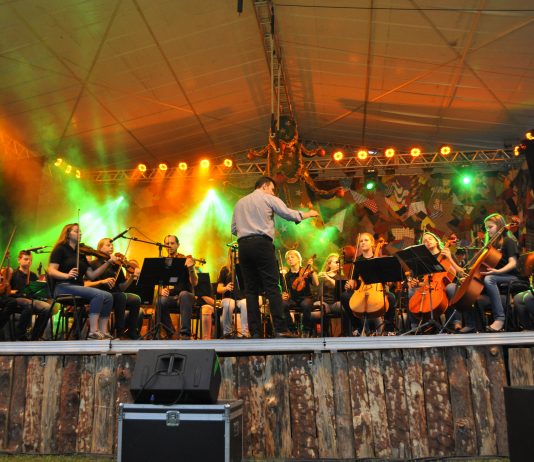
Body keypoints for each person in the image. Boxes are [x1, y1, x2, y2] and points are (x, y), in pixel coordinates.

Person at [231, 176, 319, 339]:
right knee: (272, 287)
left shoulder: (240, 203)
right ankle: (280, 329)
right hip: (262, 244)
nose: (273, 192)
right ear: (265, 186)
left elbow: (234, 229)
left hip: (243, 246)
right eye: (272, 189)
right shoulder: (268, 198)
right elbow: (288, 213)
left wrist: (248, 230)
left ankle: (255, 332)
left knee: (250, 290)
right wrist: (308, 214)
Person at [47, 223, 116, 340]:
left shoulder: (81, 253)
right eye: (76, 231)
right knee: (98, 294)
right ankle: (93, 332)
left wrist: (108, 263)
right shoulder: (60, 249)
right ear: (68, 234)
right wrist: (66, 275)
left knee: (109, 296)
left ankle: (104, 331)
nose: (80, 233)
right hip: (63, 286)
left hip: (78, 287)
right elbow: (51, 270)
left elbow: (92, 275)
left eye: (80, 231)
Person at [461, 213, 519, 333]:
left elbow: (513, 263)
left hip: (511, 277)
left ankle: (500, 319)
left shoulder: (508, 241)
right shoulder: (491, 245)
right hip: (497, 277)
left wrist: (498, 271)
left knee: (489, 279)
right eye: (486, 228)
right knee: (472, 291)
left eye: (490, 227)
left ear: (500, 226)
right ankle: (474, 326)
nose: (488, 230)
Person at [84, 238, 142, 339]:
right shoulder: (93, 264)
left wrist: (132, 277)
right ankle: (119, 331)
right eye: (108, 245)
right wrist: (102, 281)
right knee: (120, 296)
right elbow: (86, 283)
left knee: (136, 299)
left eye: (112, 245)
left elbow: (121, 287)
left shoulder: (116, 265)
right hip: (101, 295)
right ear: (100, 248)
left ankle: (132, 331)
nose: (111, 247)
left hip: (116, 294)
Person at [407, 232, 465, 333]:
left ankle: (455, 321)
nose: (428, 241)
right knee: (412, 291)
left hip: (446, 286)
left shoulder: (446, 254)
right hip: (430, 288)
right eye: (424, 241)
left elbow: (461, 273)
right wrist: (415, 283)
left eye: (430, 239)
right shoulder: (422, 260)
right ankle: (416, 325)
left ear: (436, 241)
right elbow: (424, 281)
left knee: (451, 287)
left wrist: (449, 258)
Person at [340, 233, 395, 335]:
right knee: (344, 296)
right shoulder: (357, 261)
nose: (363, 243)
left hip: (377, 291)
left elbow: (388, 281)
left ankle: (389, 329)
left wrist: (388, 281)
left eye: (366, 240)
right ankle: (358, 327)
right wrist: (351, 285)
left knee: (391, 297)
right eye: (361, 241)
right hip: (362, 291)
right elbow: (354, 281)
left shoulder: (380, 260)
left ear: (372, 243)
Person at [158, 235, 197, 340]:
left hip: (186, 296)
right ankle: (171, 333)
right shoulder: (164, 262)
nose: (169, 245)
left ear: (178, 245)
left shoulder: (184, 260)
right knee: (160, 301)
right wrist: (161, 290)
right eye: (167, 243)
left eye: (172, 243)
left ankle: (185, 334)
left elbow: (194, 282)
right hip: (171, 297)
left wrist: (191, 268)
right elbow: (159, 282)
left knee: (183, 294)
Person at [9, 250, 51, 340]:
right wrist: (14, 291)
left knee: (47, 308)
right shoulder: (13, 274)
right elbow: (7, 291)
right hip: (16, 300)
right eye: (26, 259)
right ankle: (20, 335)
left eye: (30, 260)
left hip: (31, 301)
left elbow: (36, 293)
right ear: (19, 260)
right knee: (28, 304)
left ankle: (35, 337)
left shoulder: (33, 275)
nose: (29, 262)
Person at [281, 250, 319, 336]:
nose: (290, 259)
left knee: (305, 304)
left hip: (306, 298)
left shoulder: (306, 271)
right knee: (282, 304)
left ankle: (306, 330)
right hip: (293, 299)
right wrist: (284, 295)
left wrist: (312, 269)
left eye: (292, 257)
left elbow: (316, 283)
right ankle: (292, 330)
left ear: (298, 259)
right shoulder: (287, 276)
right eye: (288, 258)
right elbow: (284, 291)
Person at [216, 247, 249, 338]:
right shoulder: (225, 270)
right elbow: (219, 289)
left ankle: (245, 333)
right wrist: (226, 288)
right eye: (234, 250)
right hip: (229, 298)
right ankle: (227, 333)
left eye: (238, 249)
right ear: (230, 253)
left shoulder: (245, 268)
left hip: (242, 298)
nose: (237, 251)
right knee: (228, 304)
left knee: (245, 303)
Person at [314, 252, 343, 336]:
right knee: (317, 308)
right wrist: (317, 278)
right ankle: (323, 333)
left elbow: (338, 287)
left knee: (343, 305)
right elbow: (316, 288)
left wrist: (328, 278)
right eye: (336, 262)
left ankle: (344, 332)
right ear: (329, 264)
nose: (338, 264)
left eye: (339, 262)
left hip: (335, 303)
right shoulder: (322, 276)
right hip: (324, 302)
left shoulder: (341, 277)